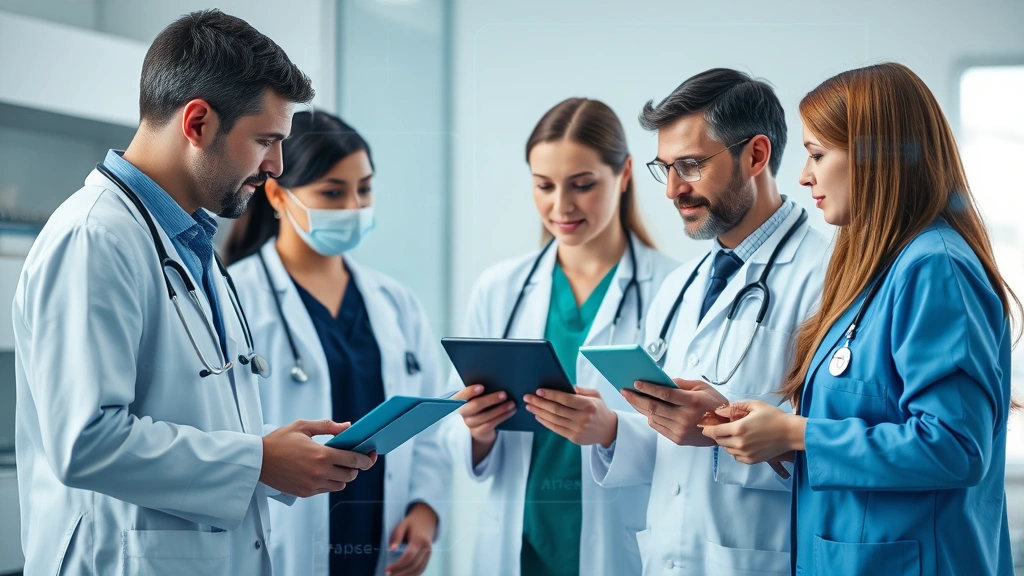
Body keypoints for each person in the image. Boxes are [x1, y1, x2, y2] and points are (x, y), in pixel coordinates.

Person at [13, 11, 375, 575]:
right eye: (266, 140)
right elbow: (84, 441)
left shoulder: (185, 239)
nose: (276, 166)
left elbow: (181, 411)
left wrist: (271, 449)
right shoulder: (95, 238)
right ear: (199, 122)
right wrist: (257, 460)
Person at [701, 62, 1019, 576]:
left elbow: (956, 447)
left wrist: (797, 433)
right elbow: (870, 417)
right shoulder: (876, 272)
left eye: (817, 155)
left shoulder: (936, 267)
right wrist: (764, 429)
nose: (804, 176)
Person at [574, 69, 830, 575]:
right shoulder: (680, 285)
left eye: (689, 165)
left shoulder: (827, 278)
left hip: (762, 558)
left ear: (756, 156)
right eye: (664, 167)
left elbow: (835, 448)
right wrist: (608, 431)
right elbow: (675, 449)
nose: (672, 190)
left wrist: (716, 430)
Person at [446, 97, 680, 576]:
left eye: (583, 185)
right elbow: (455, 434)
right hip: (520, 542)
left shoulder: (675, 289)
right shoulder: (500, 288)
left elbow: (694, 439)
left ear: (626, 173)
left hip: (622, 546)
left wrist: (613, 433)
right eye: (543, 186)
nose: (560, 206)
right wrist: (475, 427)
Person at [224, 110, 448, 576]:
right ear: (278, 195)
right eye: (332, 192)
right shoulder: (232, 297)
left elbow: (430, 426)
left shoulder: (397, 303)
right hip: (283, 539)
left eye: (363, 189)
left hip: (382, 541)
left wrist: (426, 510)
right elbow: (216, 430)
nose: (353, 206)